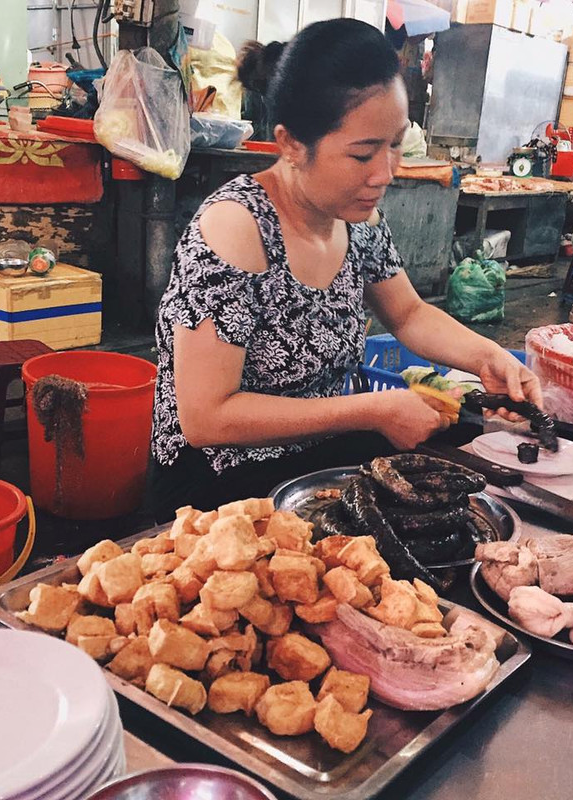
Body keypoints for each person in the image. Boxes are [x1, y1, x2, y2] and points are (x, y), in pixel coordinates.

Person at [151, 18, 542, 521]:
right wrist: (374, 410)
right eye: (362, 154)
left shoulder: (358, 220)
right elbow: (206, 417)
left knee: (465, 468)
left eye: (395, 144)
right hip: (220, 474)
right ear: (291, 144)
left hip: (315, 449)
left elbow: (408, 314)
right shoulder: (237, 227)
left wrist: (489, 358)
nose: (385, 173)